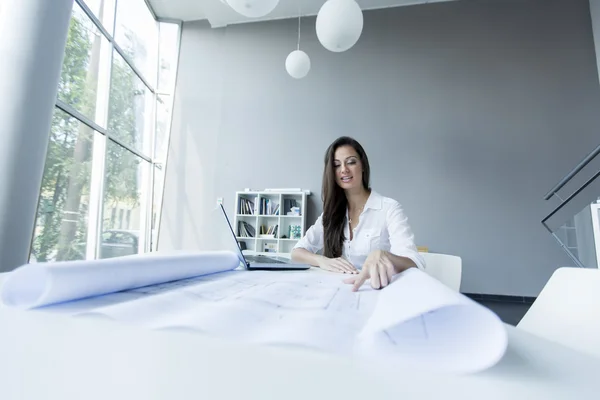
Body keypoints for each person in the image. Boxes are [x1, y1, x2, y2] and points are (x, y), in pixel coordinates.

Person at [291, 136, 425, 291]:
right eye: (336, 165)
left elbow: (414, 261)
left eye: (351, 162)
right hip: (341, 291)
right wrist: (321, 260)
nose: (344, 170)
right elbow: (296, 253)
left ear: (362, 165)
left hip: (378, 290)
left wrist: (384, 256)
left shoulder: (389, 209)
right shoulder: (331, 214)